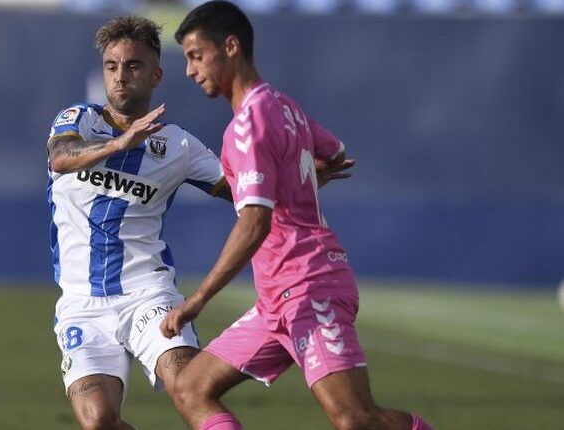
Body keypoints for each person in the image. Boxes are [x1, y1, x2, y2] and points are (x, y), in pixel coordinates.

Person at [160, 2, 434, 430]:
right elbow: (335, 151)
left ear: (230, 46)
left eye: (196, 56)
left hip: (309, 287)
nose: (191, 70)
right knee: (191, 387)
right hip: (277, 300)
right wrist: (297, 180)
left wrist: (195, 302)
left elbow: (254, 223)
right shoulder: (283, 106)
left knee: (357, 421)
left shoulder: (248, 123)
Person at [46, 16, 231, 430]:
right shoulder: (77, 120)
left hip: (148, 294)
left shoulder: (179, 145)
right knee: (99, 422)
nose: (121, 77)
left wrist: (303, 174)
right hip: (82, 303)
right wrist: (118, 144)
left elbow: (244, 190)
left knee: (189, 387)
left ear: (156, 74)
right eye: (112, 66)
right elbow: (60, 158)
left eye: (133, 66)